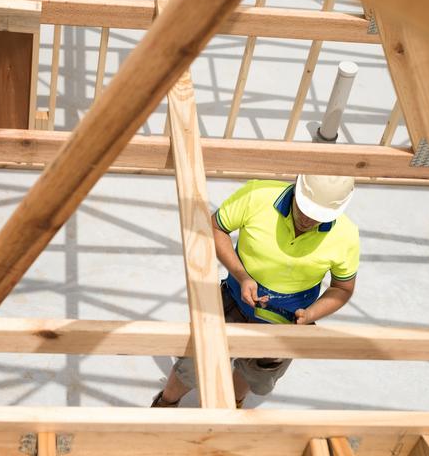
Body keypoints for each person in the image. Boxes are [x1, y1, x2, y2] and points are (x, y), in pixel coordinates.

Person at [151, 175, 360, 408]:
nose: (308, 220)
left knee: (256, 371)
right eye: (304, 210)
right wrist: (242, 276)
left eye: (317, 216)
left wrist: (311, 314)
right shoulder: (258, 196)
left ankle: (233, 403)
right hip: (234, 300)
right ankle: (166, 404)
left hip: (286, 322)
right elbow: (216, 227)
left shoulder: (346, 235)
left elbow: (342, 288)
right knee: (196, 361)